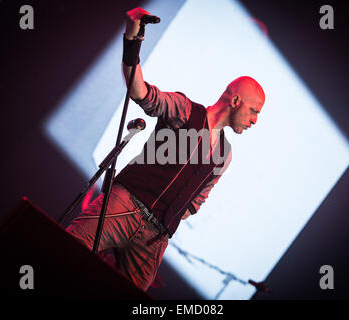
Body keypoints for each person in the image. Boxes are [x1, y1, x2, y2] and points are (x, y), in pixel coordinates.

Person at [66, 7, 265, 292]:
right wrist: (132, 39)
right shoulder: (185, 110)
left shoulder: (225, 155)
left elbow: (193, 205)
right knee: (65, 251)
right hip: (126, 206)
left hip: (154, 236)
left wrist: (166, 215)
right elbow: (140, 92)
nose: (255, 120)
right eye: (254, 110)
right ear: (235, 100)